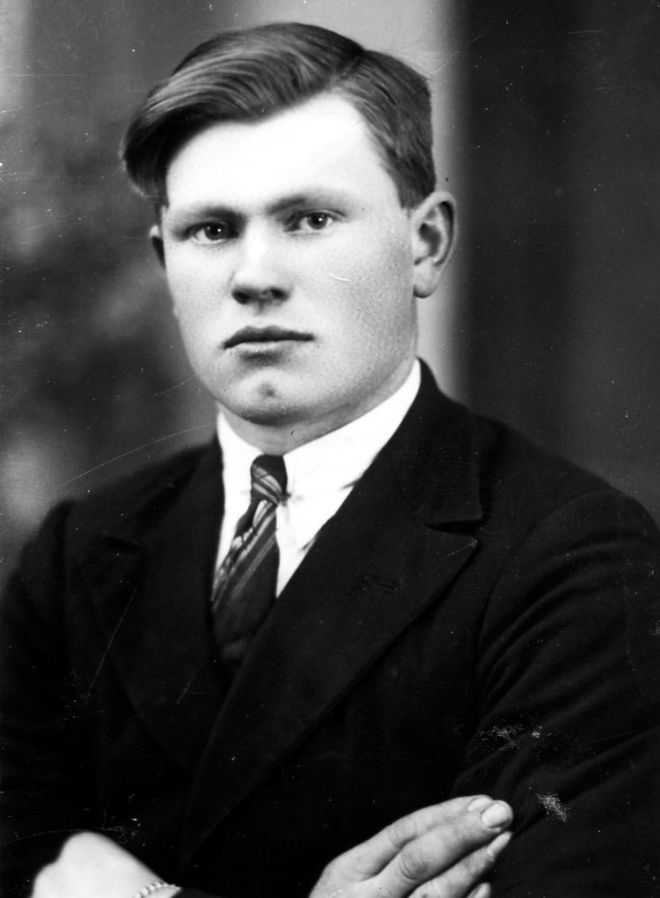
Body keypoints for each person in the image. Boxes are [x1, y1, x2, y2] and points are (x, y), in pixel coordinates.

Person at [1, 21, 659, 898]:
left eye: (310, 220)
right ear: (164, 262)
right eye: (210, 230)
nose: (255, 276)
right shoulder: (81, 551)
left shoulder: (573, 558)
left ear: (426, 244)